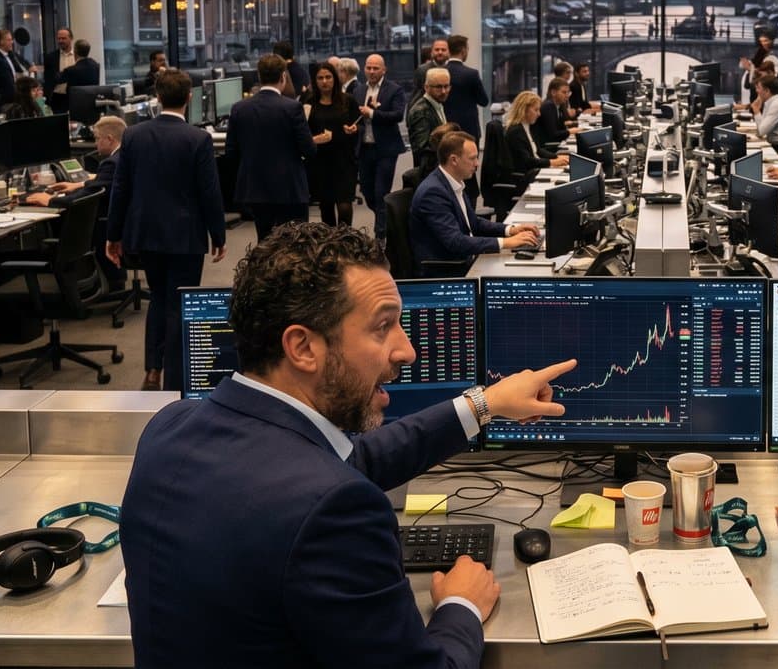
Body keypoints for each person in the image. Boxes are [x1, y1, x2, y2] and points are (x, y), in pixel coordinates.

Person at [122, 222, 576, 669]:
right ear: (302, 347)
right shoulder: (333, 510)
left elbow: (349, 460)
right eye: (383, 328)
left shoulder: (169, 428)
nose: (407, 351)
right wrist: (460, 607)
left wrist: (483, 404)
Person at [105, 71, 226, 392]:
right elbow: (209, 192)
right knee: (181, 305)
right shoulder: (198, 139)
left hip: (146, 234)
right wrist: (219, 234)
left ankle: (152, 370)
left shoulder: (133, 135)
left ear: (158, 97)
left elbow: (121, 189)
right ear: (189, 97)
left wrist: (113, 234)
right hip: (186, 236)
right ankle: (176, 378)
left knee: (159, 298)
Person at [409, 132, 540, 267]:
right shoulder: (433, 193)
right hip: (449, 270)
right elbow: (455, 242)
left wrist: (511, 230)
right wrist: (506, 242)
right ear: (454, 160)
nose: (477, 164)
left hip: (466, 258)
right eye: (473, 158)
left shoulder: (453, 182)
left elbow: (474, 223)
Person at [226, 55, 316, 241]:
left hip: (255, 188)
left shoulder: (239, 108)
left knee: (264, 240)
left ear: (259, 76)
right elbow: (309, 150)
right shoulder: (292, 108)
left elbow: (231, 152)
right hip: (289, 188)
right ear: (283, 76)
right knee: (294, 243)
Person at [353, 54, 408, 237]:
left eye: (376, 68)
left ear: (384, 70)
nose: (372, 71)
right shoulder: (359, 90)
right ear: (364, 69)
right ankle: (388, 219)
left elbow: (398, 115)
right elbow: (356, 115)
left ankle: (381, 235)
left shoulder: (394, 90)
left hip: (386, 149)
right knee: (367, 191)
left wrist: (373, 114)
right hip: (365, 148)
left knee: (381, 192)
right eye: (369, 67)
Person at [303, 64, 361, 227]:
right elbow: (302, 131)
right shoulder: (309, 103)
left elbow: (359, 125)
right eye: (320, 78)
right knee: (326, 206)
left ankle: (345, 240)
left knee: (344, 205)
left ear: (335, 79)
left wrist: (354, 129)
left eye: (328, 77)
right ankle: (329, 244)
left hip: (344, 159)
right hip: (320, 161)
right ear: (315, 81)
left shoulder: (347, 100)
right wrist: (315, 139)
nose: (325, 82)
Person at [26, 115, 125, 209]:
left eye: (97, 138)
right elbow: (101, 183)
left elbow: (87, 196)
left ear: (109, 139)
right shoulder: (124, 156)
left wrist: (50, 200)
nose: (95, 143)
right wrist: (79, 185)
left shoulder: (111, 163)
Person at [504, 91, 568, 172]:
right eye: (536, 110)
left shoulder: (528, 126)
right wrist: (552, 162)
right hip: (527, 176)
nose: (539, 114)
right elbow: (527, 161)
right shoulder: (515, 131)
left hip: (536, 169)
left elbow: (538, 150)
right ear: (524, 110)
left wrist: (556, 157)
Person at [443, 35, 490, 138]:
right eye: (467, 48)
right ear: (463, 50)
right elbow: (484, 101)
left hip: (445, 128)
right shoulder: (471, 74)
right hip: (469, 129)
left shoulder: (440, 72)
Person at [407, 67, 451, 176]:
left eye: (446, 86)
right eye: (439, 87)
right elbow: (422, 148)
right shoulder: (421, 111)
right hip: (429, 173)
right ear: (426, 87)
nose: (444, 91)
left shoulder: (437, 104)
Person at [751, 74, 778, 152]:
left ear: (767, 91)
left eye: (758, 88)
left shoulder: (776, 105)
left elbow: (761, 132)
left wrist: (756, 110)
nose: (756, 91)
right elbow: (761, 129)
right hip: (775, 145)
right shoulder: (770, 102)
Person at [537, 77, 575, 151]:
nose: (567, 95)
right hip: (547, 149)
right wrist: (570, 131)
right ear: (553, 92)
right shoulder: (548, 106)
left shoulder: (558, 106)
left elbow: (562, 128)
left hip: (554, 145)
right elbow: (553, 135)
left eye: (568, 92)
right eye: (564, 92)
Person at [41, 26, 74, 109]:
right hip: (57, 97)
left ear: (71, 38)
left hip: (74, 95)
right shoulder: (50, 57)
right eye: (59, 38)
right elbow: (48, 80)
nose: (60, 41)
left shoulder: (77, 56)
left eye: (63, 38)